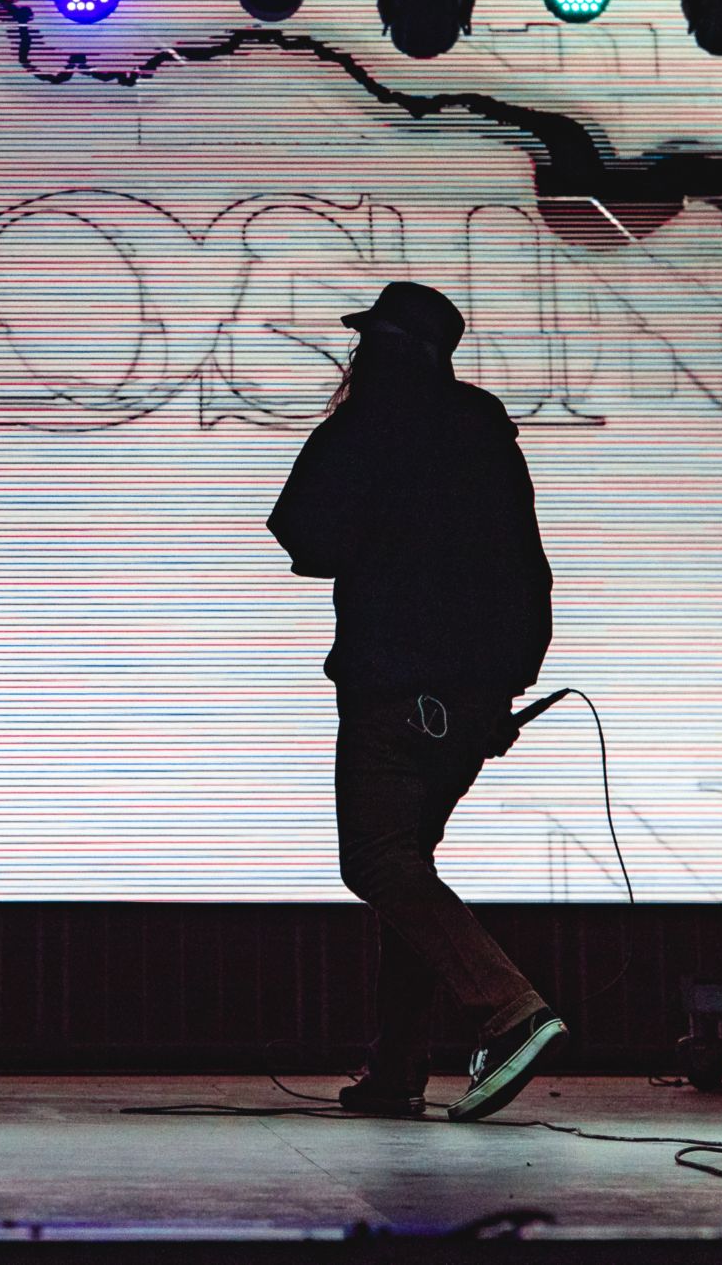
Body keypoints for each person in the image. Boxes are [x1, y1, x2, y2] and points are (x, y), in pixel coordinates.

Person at [267, 280, 567, 1122]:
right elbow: (529, 572)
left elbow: (303, 535)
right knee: (410, 869)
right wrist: (502, 692)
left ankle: (510, 1011)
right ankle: (396, 1069)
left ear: (386, 351)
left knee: (377, 862)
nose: (355, 355)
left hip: (393, 692)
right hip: (473, 706)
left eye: (367, 342)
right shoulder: (487, 437)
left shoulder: (368, 423)